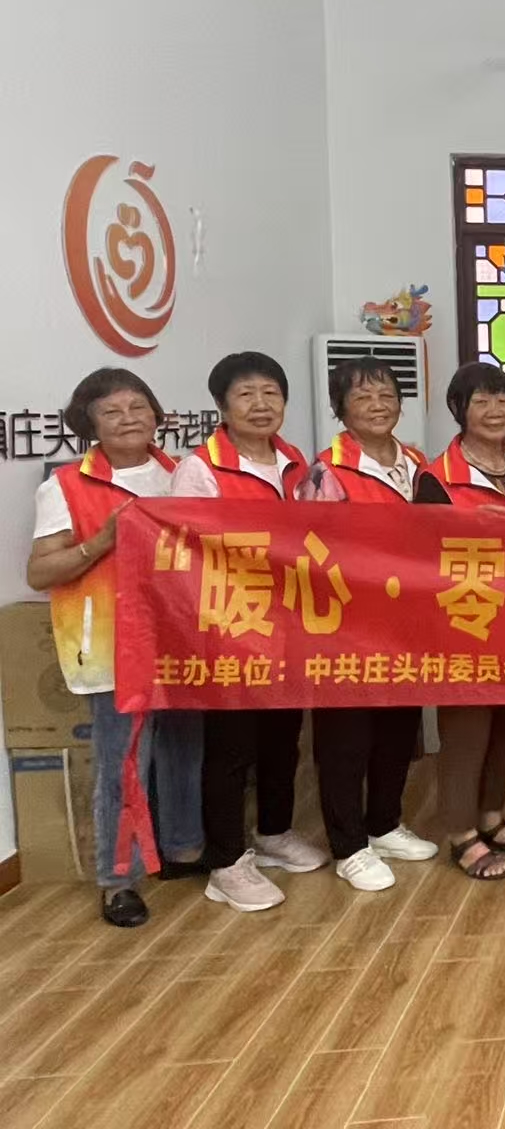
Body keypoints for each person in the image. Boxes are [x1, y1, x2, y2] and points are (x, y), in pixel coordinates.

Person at [26, 369, 204, 926]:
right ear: (89, 424)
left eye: (138, 406)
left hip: (181, 639)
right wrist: (101, 541)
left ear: (156, 414)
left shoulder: (182, 474)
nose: (129, 418)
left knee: (183, 749)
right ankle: (118, 879)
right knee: (123, 761)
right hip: (110, 644)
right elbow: (40, 571)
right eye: (112, 411)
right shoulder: (65, 486)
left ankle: (182, 850)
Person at [171, 352, 328, 910]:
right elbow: (184, 551)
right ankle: (226, 861)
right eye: (246, 394)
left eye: (271, 394)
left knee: (282, 737)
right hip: (230, 625)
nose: (261, 405)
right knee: (231, 748)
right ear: (222, 405)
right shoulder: (200, 470)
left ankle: (274, 832)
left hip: (289, 624)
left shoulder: (295, 463)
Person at [296, 357, 440, 889]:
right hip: (346, 625)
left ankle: (384, 823)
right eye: (362, 397)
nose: (377, 405)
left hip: (406, 622)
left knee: (397, 730)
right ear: (340, 409)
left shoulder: (417, 463)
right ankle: (349, 845)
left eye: (386, 395)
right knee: (346, 739)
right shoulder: (326, 471)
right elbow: (310, 550)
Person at [415, 362, 505, 880]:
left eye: (503, 400)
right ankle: (461, 833)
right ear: (459, 410)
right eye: (481, 401)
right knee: (467, 732)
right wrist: (472, 528)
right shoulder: (436, 477)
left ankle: (492, 816)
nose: (495, 411)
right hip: (465, 620)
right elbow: (420, 554)